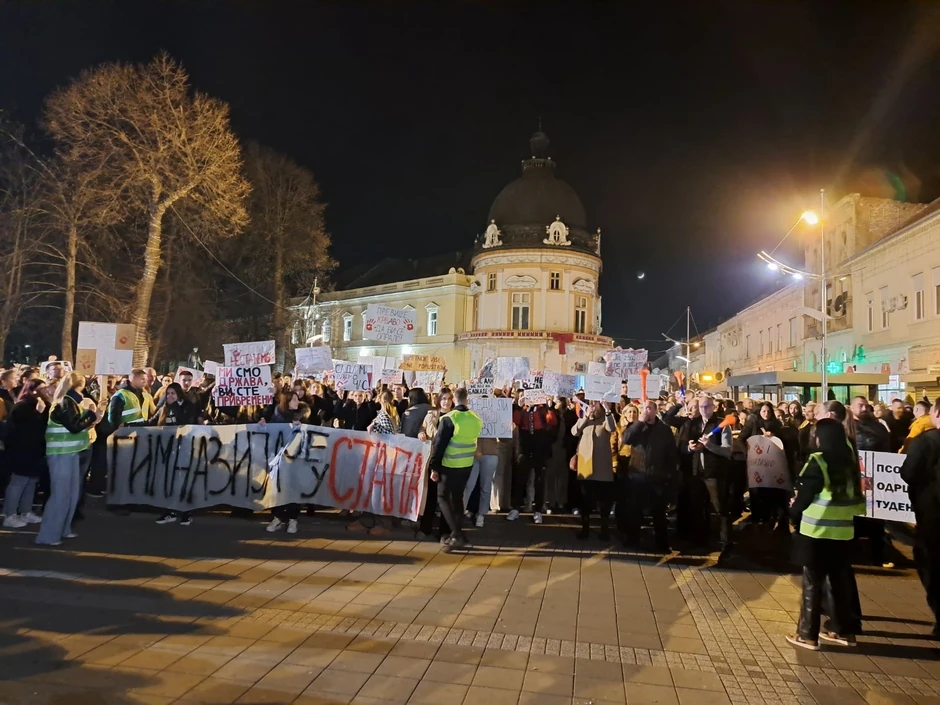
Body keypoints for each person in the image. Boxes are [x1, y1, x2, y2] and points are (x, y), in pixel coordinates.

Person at [787, 419, 866, 650]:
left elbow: (805, 496)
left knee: (812, 584)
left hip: (817, 530)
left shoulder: (818, 461)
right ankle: (843, 632)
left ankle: (807, 635)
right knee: (840, 583)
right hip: (843, 531)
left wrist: (792, 511)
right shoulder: (851, 462)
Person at [36, 373, 100, 546]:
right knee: (61, 495)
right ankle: (48, 536)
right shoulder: (65, 402)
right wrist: (92, 416)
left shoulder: (71, 402)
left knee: (71, 494)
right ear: (81, 384)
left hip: (71, 453)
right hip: (61, 454)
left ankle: (63, 530)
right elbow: (74, 426)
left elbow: (76, 422)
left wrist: (91, 415)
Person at [899, 398, 940, 635]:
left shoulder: (926, 441)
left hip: (932, 515)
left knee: (931, 565)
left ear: (936, 413)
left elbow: (908, 472)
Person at [620, 399, 679, 553]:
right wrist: (639, 423)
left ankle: (662, 544)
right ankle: (633, 539)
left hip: (657, 476)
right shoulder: (637, 427)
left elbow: (671, 454)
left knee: (658, 513)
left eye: (649, 408)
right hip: (637, 475)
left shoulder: (664, 430)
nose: (647, 411)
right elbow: (626, 439)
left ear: (655, 411)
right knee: (634, 510)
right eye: (644, 408)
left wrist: (669, 474)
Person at [429, 387, 483, 551]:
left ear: (455, 399)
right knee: (458, 500)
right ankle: (458, 534)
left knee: (442, 497)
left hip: (449, 465)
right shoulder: (475, 418)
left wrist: (434, 467)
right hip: (466, 465)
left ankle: (457, 534)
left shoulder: (449, 418)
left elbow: (439, 446)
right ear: (467, 399)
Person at [850, 395, 894, 567]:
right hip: (855, 476)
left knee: (876, 517)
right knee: (854, 515)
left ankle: (878, 555)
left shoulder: (878, 427)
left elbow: (886, 449)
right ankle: (853, 554)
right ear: (852, 408)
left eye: (866, 406)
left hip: (875, 476)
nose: (864, 409)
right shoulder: (847, 427)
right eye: (860, 405)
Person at [2, 379, 50, 528]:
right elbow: (24, 430)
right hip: (22, 451)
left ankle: (25, 511)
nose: (44, 392)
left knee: (31, 482)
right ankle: (9, 515)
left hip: (36, 450)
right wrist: (38, 413)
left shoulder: (42, 406)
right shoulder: (22, 407)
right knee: (19, 482)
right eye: (40, 389)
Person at [571, 400, 617, 540]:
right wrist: (586, 416)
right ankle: (585, 528)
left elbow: (612, 428)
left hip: (602, 467)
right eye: (591, 404)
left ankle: (604, 529)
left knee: (604, 501)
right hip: (586, 466)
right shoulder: (585, 420)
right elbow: (574, 431)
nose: (593, 406)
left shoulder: (606, 419)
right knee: (586, 500)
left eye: (596, 404)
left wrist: (607, 410)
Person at [152, 383, 196, 526]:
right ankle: (169, 511)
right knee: (168, 481)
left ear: (179, 394)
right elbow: (151, 422)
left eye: (173, 393)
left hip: (184, 449)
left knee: (183, 481)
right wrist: (128, 426)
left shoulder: (188, 406)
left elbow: (186, 423)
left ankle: (186, 513)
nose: (170, 396)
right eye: (168, 393)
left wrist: (175, 406)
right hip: (167, 449)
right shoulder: (163, 408)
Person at [509, 397, 557, 524]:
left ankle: (538, 510)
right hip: (525, 447)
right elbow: (515, 421)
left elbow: (552, 422)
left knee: (539, 480)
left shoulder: (543, 409)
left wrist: (550, 407)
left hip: (540, 447)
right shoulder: (524, 409)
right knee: (520, 479)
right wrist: (518, 406)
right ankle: (516, 508)